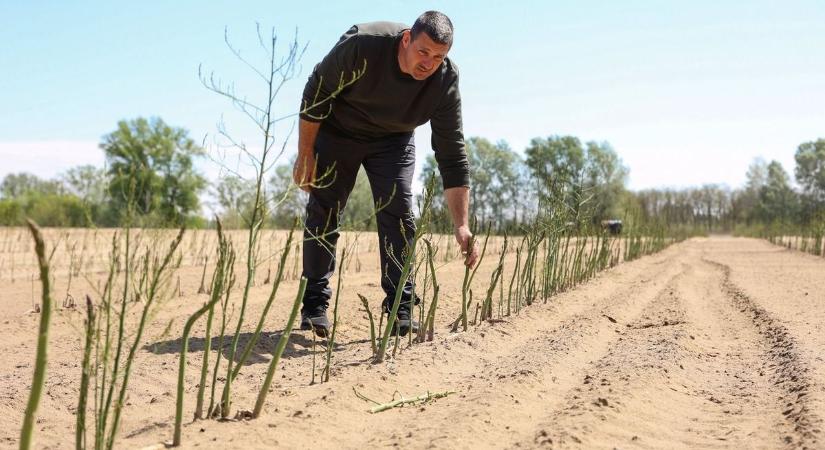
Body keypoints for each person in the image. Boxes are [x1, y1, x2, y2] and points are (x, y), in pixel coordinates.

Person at [293, 11, 479, 338]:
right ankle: (314, 306)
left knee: (399, 213)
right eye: (423, 51)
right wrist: (306, 153)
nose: (429, 63)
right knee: (325, 207)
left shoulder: (445, 79)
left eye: (439, 56)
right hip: (340, 131)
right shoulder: (363, 45)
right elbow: (316, 92)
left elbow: (452, 151)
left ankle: (400, 308)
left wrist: (461, 224)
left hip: (394, 140)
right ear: (406, 39)